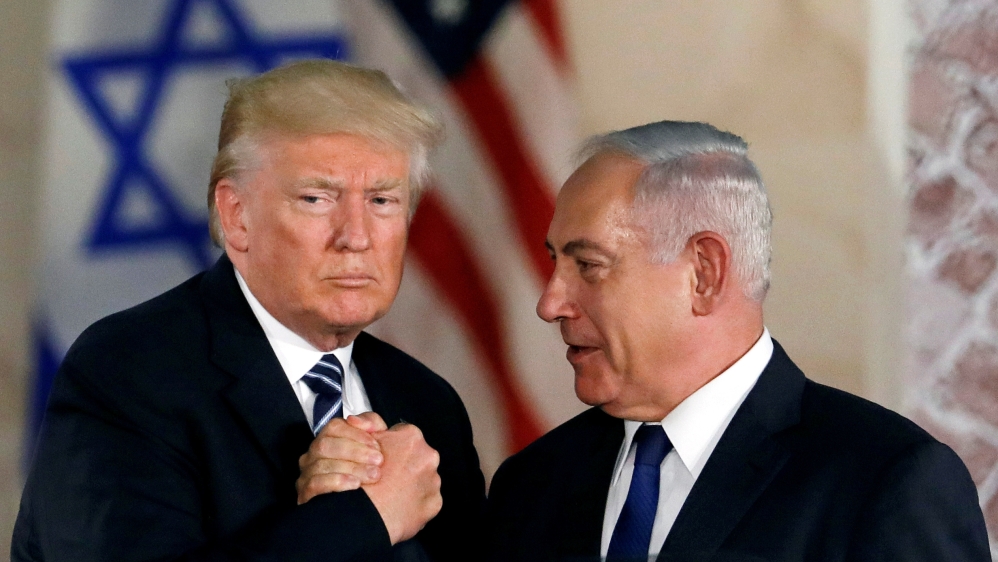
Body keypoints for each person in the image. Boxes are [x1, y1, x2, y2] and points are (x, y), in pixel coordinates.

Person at [12, 60, 485, 562]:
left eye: (382, 200)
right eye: (316, 198)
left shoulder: (428, 404)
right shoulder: (130, 372)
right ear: (236, 215)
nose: (356, 236)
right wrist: (361, 518)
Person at [484, 121, 990, 561]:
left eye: (588, 266)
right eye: (555, 262)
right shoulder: (530, 485)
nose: (550, 304)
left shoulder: (886, 483)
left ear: (704, 273)